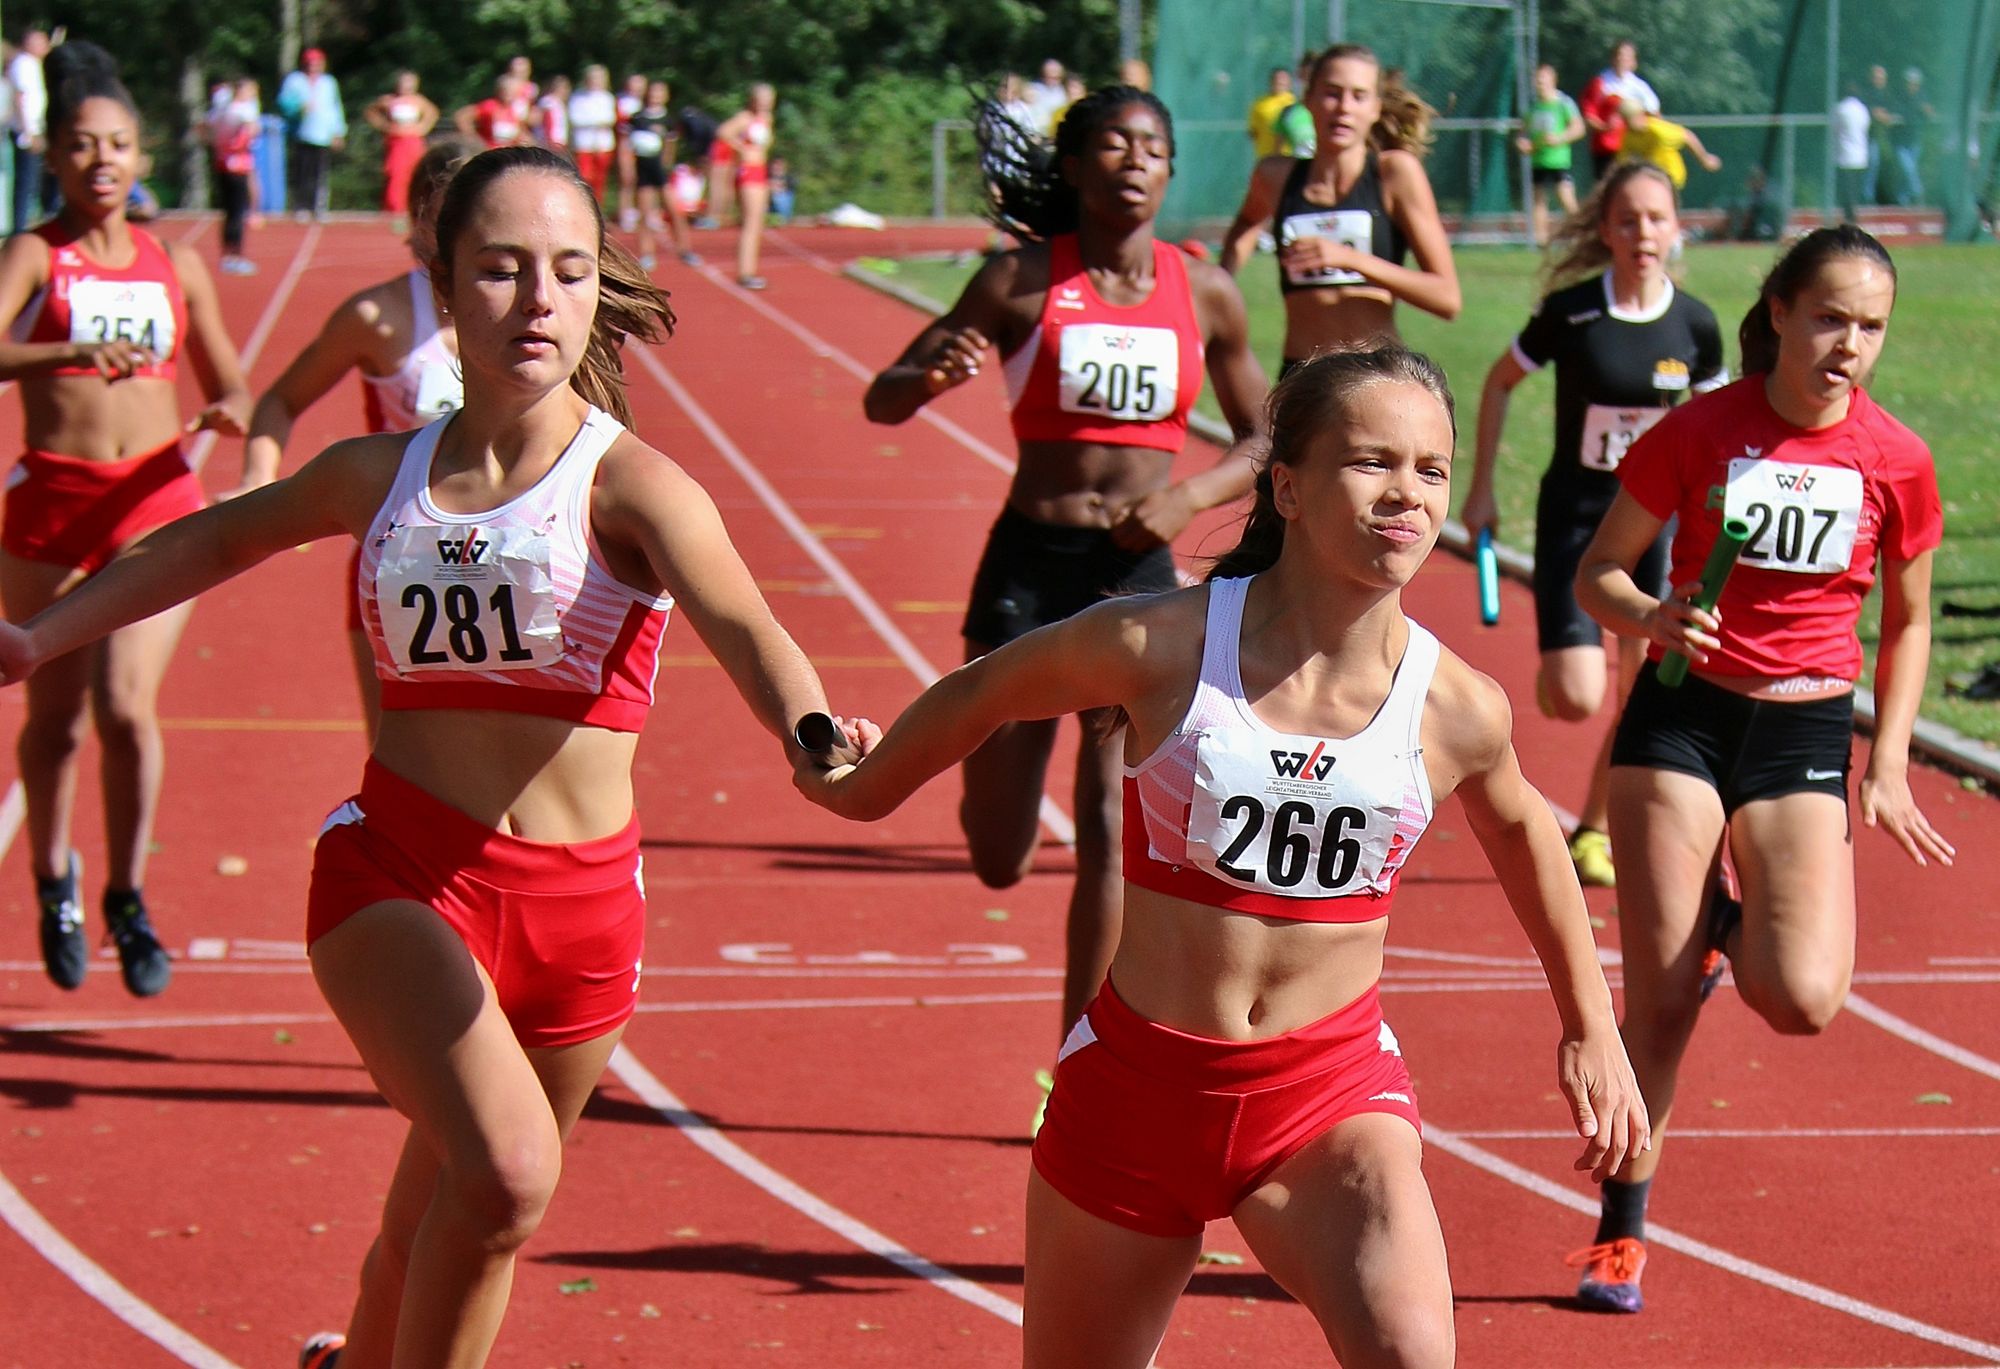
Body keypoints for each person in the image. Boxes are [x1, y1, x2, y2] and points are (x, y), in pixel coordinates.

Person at [0, 143, 851, 1367]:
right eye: (500, 269)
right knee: (505, 1175)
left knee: (432, 1221)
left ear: (598, 287)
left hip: (584, 916)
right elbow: (211, 541)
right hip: (399, 877)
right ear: (442, 289)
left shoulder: (634, 487)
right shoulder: (378, 476)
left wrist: (813, 738)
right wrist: (39, 636)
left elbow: (752, 631)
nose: (538, 299)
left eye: (568, 271)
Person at [816, 346, 1647, 1369]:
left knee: (1410, 1356)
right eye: (1372, 462)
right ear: (1287, 487)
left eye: (1431, 469)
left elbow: (1525, 835)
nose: (1407, 493)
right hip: (1135, 1091)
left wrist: (1591, 1027)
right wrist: (864, 787)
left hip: (1326, 1097)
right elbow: (988, 688)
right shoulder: (1162, 646)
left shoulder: (1456, 708)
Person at [1570, 224, 1950, 1313]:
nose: (1848, 344)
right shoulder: (1700, 431)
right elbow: (1600, 575)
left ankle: (1721, 930)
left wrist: (1886, 762)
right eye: (1828, 318)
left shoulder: (1896, 458)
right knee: (1658, 1005)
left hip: (1802, 732)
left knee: (1801, 998)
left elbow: (1909, 620)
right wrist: (1652, 614)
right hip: (1680, 722)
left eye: (1869, 326)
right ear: (1778, 313)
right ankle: (1618, 1235)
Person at [862, 85, 1271, 1077]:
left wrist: (1187, 497)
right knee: (1000, 850)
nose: (1135, 162)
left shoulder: (1204, 290)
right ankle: (994, 819)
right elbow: (882, 400)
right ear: (1077, 166)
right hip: (1028, 565)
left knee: (1109, 826)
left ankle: (1078, 1068)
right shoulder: (1015, 280)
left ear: (1170, 173)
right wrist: (929, 376)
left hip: (1134, 577)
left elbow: (1267, 437)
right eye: (1113, 145)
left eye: (1152, 148)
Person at [0, 40, 253, 998]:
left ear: (142, 156)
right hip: (53, 505)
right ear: (53, 155)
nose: (100, 159)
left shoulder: (173, 263)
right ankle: (52, 877)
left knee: (125, 706)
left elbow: (231, 380)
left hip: (153, 504)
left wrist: (229, 410)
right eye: (81, 143)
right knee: (55, 719)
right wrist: (63, 351)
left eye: (117, 143)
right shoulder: (35, 253)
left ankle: (127, 895)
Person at [1461, 161, 1727, 891]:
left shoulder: (1695, 324)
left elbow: (1715, 428)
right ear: (1606, 229)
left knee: (1641, 687)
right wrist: (1481, 487)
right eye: (1628, 219)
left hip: (1656, 525)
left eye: (1657, 218)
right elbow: (1500, 381)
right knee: (1579, 696)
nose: (1644, 232)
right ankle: (1563, 667)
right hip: (1577, 517)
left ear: (1677, 227)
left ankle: (1595, 829)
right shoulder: (1573, 312)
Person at [238, 137, 480, 741]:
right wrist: (256, 482)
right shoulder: (377, 316)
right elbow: (279, 400)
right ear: (419, 220)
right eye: (447, 216)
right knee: (401, 755)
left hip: (515, 547)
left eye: (477, 213)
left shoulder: (531, 310)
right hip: (405, 557)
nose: (463, 232)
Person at [1220, 44, 1461, 377]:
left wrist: (1349, 259)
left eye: (1359, 96)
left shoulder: (1394, 174)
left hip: (1375, 375)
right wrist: (1221, 281)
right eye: (1332, 94)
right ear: (1308, 99)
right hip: (1301, 377)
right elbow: (1247, 223)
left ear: (1375, 107)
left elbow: (1447, 298)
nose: (1344, 108)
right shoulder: (1274, 177)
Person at [628, 79, 695, 271]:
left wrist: (666, 166)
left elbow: (669, 146)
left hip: (660, 171)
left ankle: (684, 249)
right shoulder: (637, 118)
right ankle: (647, 253)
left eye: (660, 92)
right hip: (643, 169)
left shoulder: (668, 120)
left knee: (674, 210)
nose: (655, 96)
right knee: (645, 213)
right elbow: (628, 146)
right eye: (653, 92)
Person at [1516, 62, 1584, 246]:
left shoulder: (1563, 103)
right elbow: (1523, 131)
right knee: (1538, 200)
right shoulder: (1533, 106)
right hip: (1538, 160)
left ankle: (1581, 235)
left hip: (1558, 161)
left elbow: (1578, 128)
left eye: (1543, 79)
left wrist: (1560, 138)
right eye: (1537, 80)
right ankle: (1541, 242)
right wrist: (1522, 143)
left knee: (1566, 198)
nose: (1539, 83)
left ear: (1553, 80)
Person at [717, 82, 777, 289]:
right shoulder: (745, 118)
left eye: (768, 99)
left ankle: (751, 269)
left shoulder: (767, 118)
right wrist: (741, 148)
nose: (764, 103)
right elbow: (723, 132)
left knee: (757, 221)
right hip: (748, 170)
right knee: (750, 221)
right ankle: (745, 272)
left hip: (760, 170)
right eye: (761, 99)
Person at [278, 48, 345, 222]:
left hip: (323, 134)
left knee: (320, 172)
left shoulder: (328, 82)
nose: (313, 67)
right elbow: (283, 102)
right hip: (301, 133)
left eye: (317, 63)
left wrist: (338, 131)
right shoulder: (295, 80)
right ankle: (301, 206)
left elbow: (335, 108)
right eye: (310, 63)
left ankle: (319, 207)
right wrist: (298, 107)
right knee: (302, 171)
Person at [365, 70, 438, 225]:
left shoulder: (418, 101)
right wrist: (385, 126)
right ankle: (394, 209)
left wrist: (422, 128)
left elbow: (432, 113)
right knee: (395, 174)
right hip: (396, 142)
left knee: (415, 174)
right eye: (403, 82)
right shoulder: (389, 100)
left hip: (413, 142)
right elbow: (370, 111)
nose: (406, 86)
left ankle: (414, 209)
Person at [1580, 41, 1658, 181]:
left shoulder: (1640, 87)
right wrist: (1605, 127)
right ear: (1612, 58)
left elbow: (1655, 115)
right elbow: (1589, 116)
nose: (1622, 59)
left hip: (1634, 148)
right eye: (1619, 55)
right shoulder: (1600, 83)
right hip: (1607, 148)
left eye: (1628, 56)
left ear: (1634, 62)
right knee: (1606, 187)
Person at [208, 78, 262, 276]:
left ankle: (227, 255)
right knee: (238, 212)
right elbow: (253, 130)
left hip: (222, 162)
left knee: (229, 212)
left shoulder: (221, 109)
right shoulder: (241, 110)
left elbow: (206, 128)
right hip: (238, 165)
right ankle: (236, 257)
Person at [1615, 100, 1721, 192]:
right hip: (1652, 179)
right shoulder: (1628, 137)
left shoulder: (1657, 130)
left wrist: (1704, 159)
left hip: (1672, 177)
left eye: (1631, 117)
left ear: (1641, 115)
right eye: (1626, 118)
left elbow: (1687, 136)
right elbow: (1622, 161)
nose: (1629, 121)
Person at [7, 28, 49, 230]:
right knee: (26, 180)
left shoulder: (33, 65)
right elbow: (20, 98)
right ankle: (20, 227)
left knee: (33, 179)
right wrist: (28, 131)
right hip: (26, 130)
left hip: (34, 129)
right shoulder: (23, 64)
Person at [568, 65, 617, 203]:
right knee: (584, 176)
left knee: (600, 178)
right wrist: (596, 123)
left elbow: (610, 119)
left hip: (603, 144)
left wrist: (594, 122)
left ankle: (598, 205)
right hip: (584, 143)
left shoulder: (607, 98)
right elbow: (575, 119)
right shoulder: (578, 97)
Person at [1891, 66, 1933, 206]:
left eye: (1915, 83)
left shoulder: (1922, 96)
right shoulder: (1898, 96)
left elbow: (1928, 113)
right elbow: (1899, 112)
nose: (1913, 86)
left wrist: (1927, 111)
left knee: (1907, 173)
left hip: (1914, 140)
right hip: (1899, 142)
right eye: (1910, 82)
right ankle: (1918, 193)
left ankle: (1900, 199)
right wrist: (1917, 109)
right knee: (1909, 170)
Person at [457, 75, 529, 151]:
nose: (509, 95)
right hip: (488, 151)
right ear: (499, 91)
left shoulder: (515, 111)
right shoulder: (490, 106)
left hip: (506, 153)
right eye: (506, 91)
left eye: (513, 92)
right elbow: (462, 116)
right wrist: (472, 137)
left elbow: (519, 133)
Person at [1833, 83, 1871, 224]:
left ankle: (1849, 215)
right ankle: (1854, 211)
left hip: (1844, 154)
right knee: (1855, 187)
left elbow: (1835, 128)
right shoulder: (1863, 109)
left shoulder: (1840, 109)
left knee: (1846, 188)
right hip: (1860, 154)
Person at [615, 73, 648, 231]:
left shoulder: (647, 102)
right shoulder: (621, 102)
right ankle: (625, 213)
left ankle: (647, 214)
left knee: (647, 181)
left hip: (646, 146)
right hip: (627, 143)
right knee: (627, 178)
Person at [1273, 52, 1318, 159]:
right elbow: (1277, 153)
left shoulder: (1333, 111)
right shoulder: (1288, 113)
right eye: (1307, 75)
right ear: (1300, 75)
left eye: (1315, 75)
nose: (1311, 80)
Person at [1247, 66, 1295, 161]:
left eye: (1283, 79)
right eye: (1277, 78)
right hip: (1265, 157)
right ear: (1271, 81)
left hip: (1289, 157)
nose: (1279, 81)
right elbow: (1253, 132)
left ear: (1289, 83)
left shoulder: (1294, 103)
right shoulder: (1259, 104)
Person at [535, 74, 570, 154]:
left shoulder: (558, 102)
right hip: (550, 142)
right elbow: (548, 122)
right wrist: (550, 141)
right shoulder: (549, 102)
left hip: (558, 141)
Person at [767, 155, 795, 225]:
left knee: (780, 197)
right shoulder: (766, 177)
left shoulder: (789, 178)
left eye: (779, 165)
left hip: (781, 207)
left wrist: (773, 187)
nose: (777, 167)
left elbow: (784, 189)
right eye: (775, 164)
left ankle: (783, 218)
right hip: (768, 205)